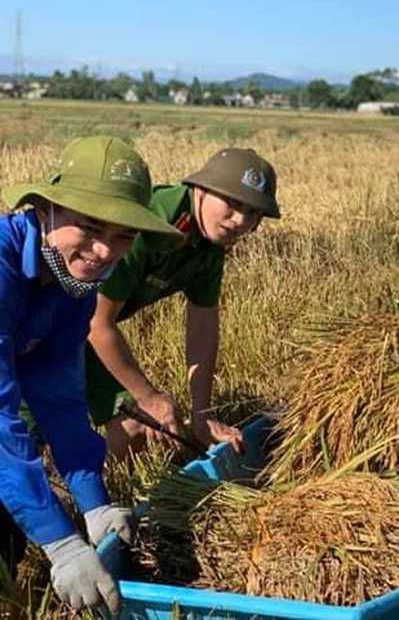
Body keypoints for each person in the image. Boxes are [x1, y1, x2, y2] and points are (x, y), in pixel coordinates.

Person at [0, 136, 183, 613]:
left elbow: (59, 398)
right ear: (45, 210)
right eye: (90, 226)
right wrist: (62, 545)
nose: (104, 250)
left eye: (123, 235)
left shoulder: (70, 286)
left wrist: (93, 502)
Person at [84, 147, 280, 460]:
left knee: (138, 427)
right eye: (232, 203)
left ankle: (82, 497)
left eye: (254, 212)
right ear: (200, 190)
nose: (241, 220)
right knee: (24, 442)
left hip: (76, 326)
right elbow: (97, 321)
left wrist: (202, 418)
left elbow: (202, 330)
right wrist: (147, 395)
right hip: (38, 322)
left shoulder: (209, 246)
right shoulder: (151, 222)